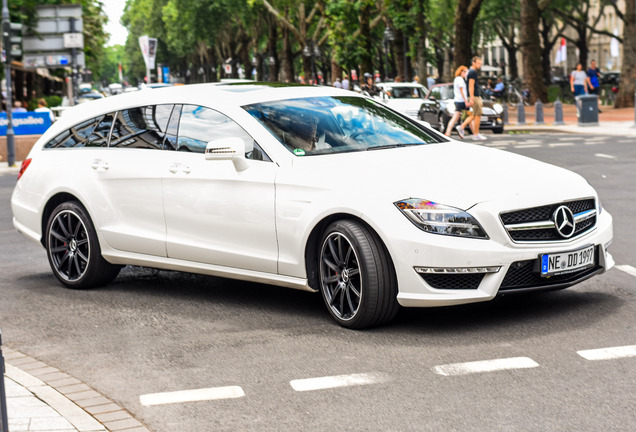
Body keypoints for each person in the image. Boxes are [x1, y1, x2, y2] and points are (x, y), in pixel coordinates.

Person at [460, 56, 486, 141]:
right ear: (473, 63)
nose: (479, 65)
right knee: (478, 114)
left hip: (473, 96)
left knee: (475, 114)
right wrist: (471, 98)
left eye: (480, 63)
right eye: (478, 63)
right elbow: (471, 86)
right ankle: (475, 134)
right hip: (474, 96)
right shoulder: (472, 72)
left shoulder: (469, 72)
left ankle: (462, 127)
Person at [445, 66, 473, 139]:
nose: (466, 73)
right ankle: (472, 132)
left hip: (458, 101)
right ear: (461, 72)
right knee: (470, 116)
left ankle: (448, 132)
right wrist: (466, 101)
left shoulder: (456, 79)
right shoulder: (460, 79)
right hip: (462, 101)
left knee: (456, 117)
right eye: (465, 71)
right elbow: (462, 91)